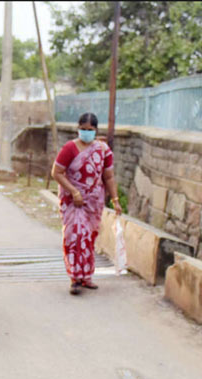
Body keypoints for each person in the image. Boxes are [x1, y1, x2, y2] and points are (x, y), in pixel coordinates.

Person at [51, 112, 122, 295]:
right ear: (78, 129)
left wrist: (115, 200)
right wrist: (74, 191)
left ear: (96, 130)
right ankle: (75, 277)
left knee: (89, 238)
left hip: (93, 202)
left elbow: (109, 176)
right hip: (73, 201)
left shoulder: (103, 150)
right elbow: (57, 172)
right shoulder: (70, 148)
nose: (86, 133)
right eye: (83, 129)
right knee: (75, 235)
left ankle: (86, 276)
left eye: (90, 130)